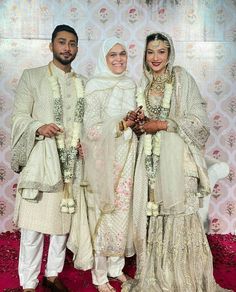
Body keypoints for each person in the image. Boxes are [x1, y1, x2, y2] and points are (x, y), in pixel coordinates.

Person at [122, 32, 230, 292]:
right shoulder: (143, 85)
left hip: (179, 160)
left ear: (170, 53)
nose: (155, 57)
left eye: (161, 51)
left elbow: (199, 122)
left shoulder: (181, 78)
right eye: (150, 52)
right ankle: (159, 275)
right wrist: (138, 125)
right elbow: (142, 126)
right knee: (156, 215)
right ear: (145, 56)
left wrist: (162, 124)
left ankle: (186, 277)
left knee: (180, 213)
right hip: (152, 161)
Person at [11, 24, 85, 292]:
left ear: (77, 48)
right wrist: (38, 127)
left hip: (70, 165)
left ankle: (52, 275)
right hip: (42, 160)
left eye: (72, 43)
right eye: (62, 42)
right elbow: (19, 116)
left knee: (61, 224)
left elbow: (87, 123)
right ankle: (28, 283)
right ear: (51, 45)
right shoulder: (32, 77)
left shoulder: (83, 83)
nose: (67, 48)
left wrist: (84, 141)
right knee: (32, 227)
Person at [80, 37, 139, 292]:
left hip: (128, 158)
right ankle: (100, 275)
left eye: (122, 54)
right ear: (104, 59)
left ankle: (117, 269)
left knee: (123, 214)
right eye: (112, 55)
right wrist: (123, 124)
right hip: (105, 160)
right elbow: (91, 130)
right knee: (104, 214)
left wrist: (137, 121)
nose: (118, 59)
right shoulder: (94, 86)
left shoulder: (130, 84)